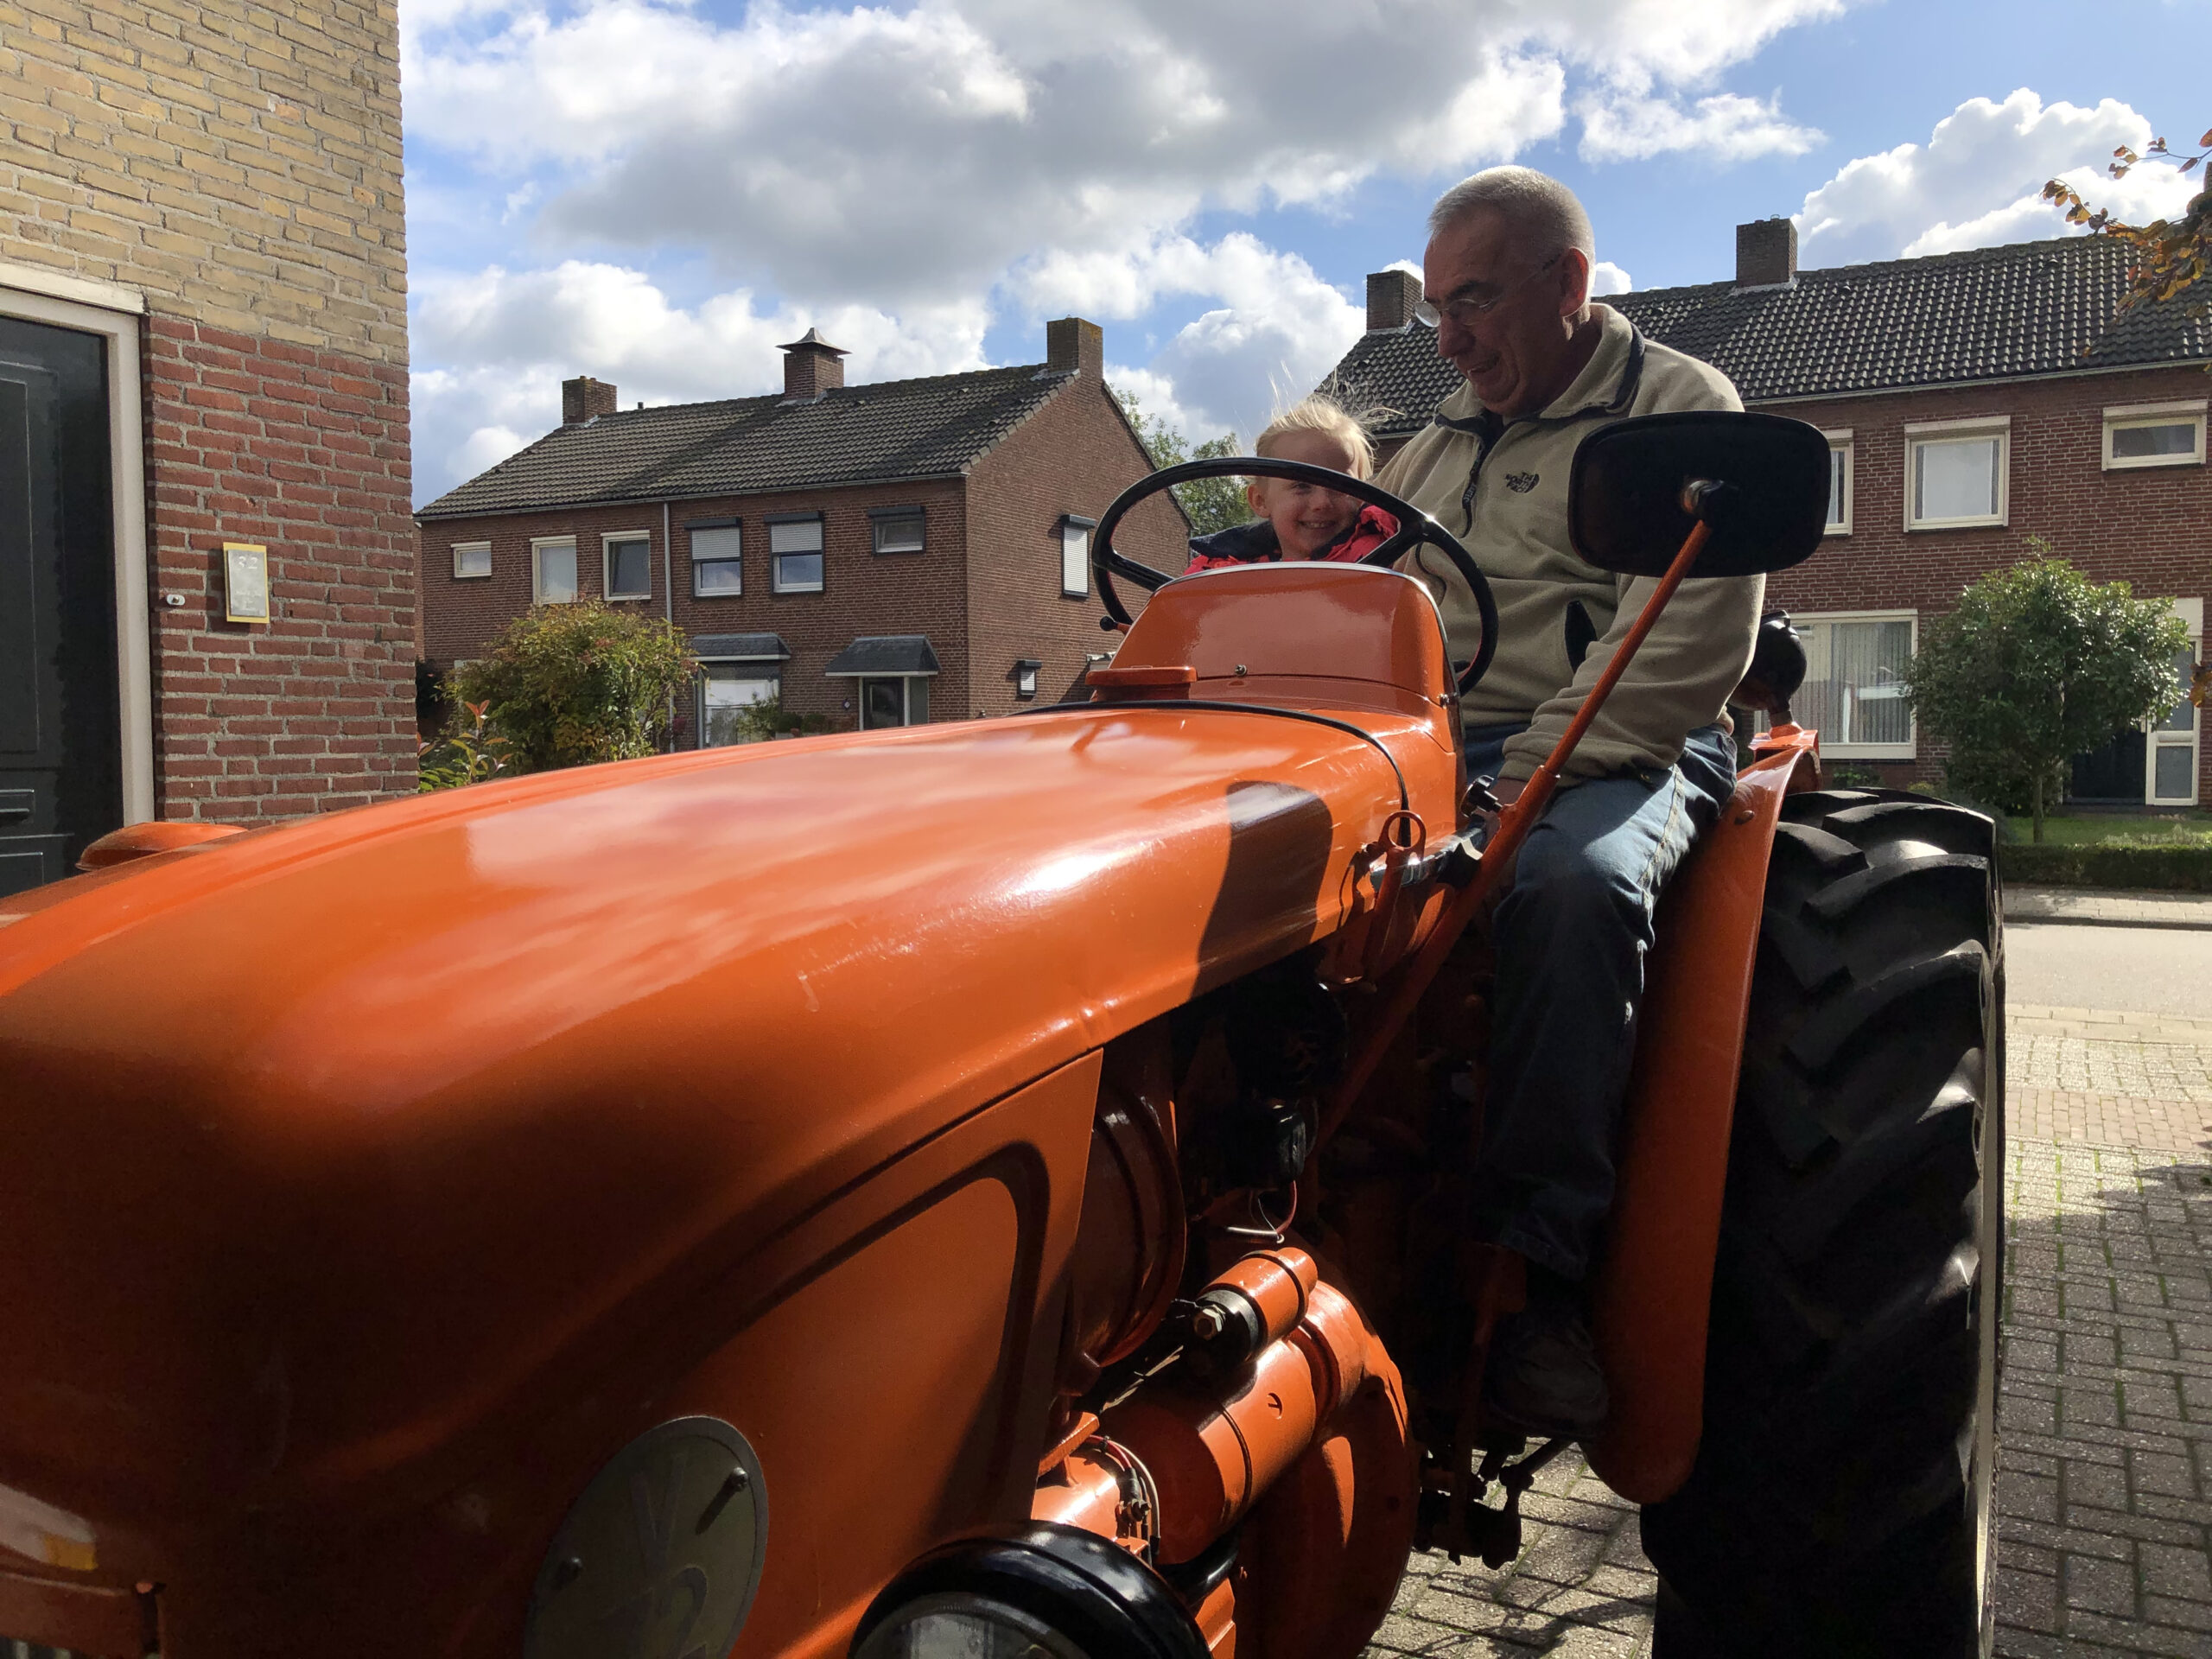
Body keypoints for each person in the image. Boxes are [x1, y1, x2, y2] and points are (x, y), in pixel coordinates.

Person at [1374, 167, 1762, 1435]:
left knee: (1573, 888)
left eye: (1476, 298)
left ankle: (1534, 1270)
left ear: (1570, 284)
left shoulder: (1680, 413)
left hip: (1625, 741)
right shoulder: (1434, 441)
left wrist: (1519, 776)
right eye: (1438, 307)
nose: (1452, 336)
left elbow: (1675, 640)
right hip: (1432, 744)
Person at [1185, 397, 1399, 572]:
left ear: (1362, 494)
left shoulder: (1387, 556)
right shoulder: (1220, 574)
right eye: (1302, 486)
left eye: (1340, 485)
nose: (1321, 502)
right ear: (1260, 500)